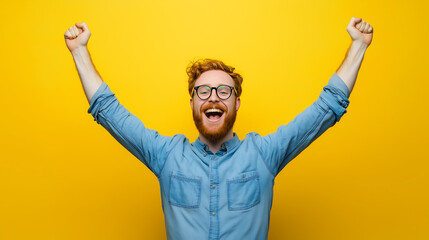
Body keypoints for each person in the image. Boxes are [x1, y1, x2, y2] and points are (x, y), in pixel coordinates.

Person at [64, 17, 373, 240]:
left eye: (223, 91)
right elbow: (109, 113)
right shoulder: (167, 156)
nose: (213, 97)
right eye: (204, 91)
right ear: (193, 102)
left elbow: (326, 109)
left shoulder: (263, 154)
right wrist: (79, 50)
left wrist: (358, 46)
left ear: (236, 103)